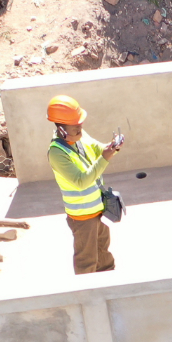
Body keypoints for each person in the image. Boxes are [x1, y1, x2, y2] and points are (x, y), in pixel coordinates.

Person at [46, 94, 122, 274]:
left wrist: (111, 148)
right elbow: (81, 181)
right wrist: (105, 158)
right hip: (82, 216)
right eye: (76, 128)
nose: (80, 130)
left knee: (102, 250)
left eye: (80, 125)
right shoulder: (56, 153)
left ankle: (108, 280)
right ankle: (87, 295)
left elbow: (97, 149)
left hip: (96, 209)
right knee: (86, 259)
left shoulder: (79, 135)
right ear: (62, 130)